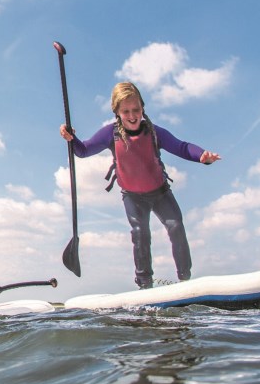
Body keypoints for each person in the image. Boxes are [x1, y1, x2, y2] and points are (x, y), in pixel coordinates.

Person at [59, 81, 220, 289]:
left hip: (161, 192)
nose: (132, 115)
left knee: (176, 226)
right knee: (140, 232)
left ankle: (185, 279)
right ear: (117, 112)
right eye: (126, 111)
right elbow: (83, 151)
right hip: (133, 197)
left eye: (136, 109)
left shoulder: (154, 132)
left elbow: (181, 147)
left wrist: (202, 156)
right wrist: (71, 138)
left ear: (142, 108)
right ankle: (144, 284)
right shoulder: (110, 134)